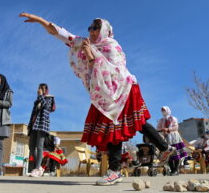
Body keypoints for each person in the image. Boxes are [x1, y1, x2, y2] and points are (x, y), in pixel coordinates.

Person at [19, 13, 175, 185]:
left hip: (123, 88)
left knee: (118, 124)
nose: (91, 31)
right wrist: (41, 21)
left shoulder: (112, 46)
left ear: (105, 31)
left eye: (96, 28)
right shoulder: (87, 43)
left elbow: (114, 70)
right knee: (131, 124)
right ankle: (165, 148)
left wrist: (91, 55)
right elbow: (62, 34)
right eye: (90, 28)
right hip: (106, 93)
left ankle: (115, 171)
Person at [28, 83, 56, 177]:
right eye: (39, 88)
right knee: (31, 147)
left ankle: (36, 168)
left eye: (42, 88)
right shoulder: (37, 101)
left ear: (46, 90)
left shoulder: (49, 98)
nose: (40, 89)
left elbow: (46, 107)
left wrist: (40, 96)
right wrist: (29, 125)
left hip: (42, 124)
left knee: (39, 146)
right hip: (34, 125)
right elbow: (33, 113)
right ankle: (39, 166)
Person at [156, 106, 187, 175]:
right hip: (166, 137)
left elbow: (176, 127)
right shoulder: (161, 120)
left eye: (164, 110)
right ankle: (172, 170)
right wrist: (161, 129)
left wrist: (168, 129)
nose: (163, 112)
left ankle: (176, 170)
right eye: (162, 110)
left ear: (167, 110)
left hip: (174, 137)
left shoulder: (173, 118)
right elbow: (157, 128)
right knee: (168, 154)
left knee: (176, 153)